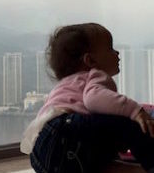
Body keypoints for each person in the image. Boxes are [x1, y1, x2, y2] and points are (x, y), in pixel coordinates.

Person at [20, 23, 154, 172]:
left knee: (99, 145)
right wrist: (136, 111)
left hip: (41, 153)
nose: (117, 53)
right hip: (66, 131)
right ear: (90, 61)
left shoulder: (64, 86)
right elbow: (93, 99)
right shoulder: (95, 74)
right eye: (110, 48)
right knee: (132, 124)